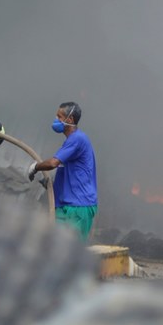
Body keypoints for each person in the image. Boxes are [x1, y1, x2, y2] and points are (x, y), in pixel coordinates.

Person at [28, 101, 98, 241]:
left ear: (70, 119)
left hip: (78, 206)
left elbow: (53, 163)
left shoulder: (77, 139)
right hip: (66, 205)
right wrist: (51, 184)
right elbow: (71, 172)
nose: (56, 120)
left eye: (59, 117)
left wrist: (35, 167)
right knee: (56, 248)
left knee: (70, 252)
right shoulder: (71, 141)